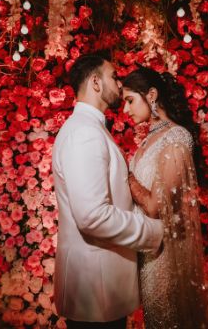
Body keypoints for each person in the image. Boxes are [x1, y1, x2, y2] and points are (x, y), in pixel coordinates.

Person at [52, 54, 164, 329]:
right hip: (96, 291)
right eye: (114, 76)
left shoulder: (89, 129)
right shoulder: (84, 134)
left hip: (100, 288)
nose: (119, 82)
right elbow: (92, 216)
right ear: (96, 83)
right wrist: (155, 232)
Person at [121, 66, 208, 329]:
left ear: (151, 94)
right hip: (147, 252)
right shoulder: (148, 141)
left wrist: (126, 177)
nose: (126, 110)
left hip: (166, 257)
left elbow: (154, 207)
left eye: (130, 101)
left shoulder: (176, 137)